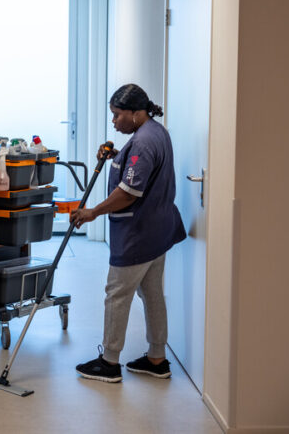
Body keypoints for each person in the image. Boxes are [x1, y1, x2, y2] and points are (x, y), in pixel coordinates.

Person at [70, 83, 186, 383]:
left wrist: (92, 212)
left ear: (136, 113)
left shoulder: (143, 143)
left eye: (117, 115)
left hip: (138, 233)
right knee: (152, 293)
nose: (114, 121)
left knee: (116, 295)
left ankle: (109, 362)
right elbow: (140, 168)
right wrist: (119, 156)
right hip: (158, 230)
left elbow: (129, 192)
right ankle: (157, 359)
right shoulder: (155, 133)